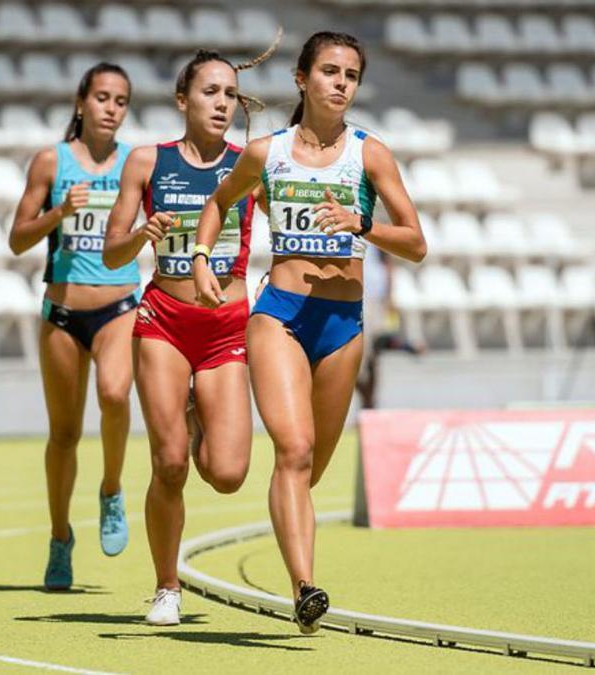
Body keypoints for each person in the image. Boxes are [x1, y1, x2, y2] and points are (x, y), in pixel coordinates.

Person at [191, 32, 427, 633]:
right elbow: (219, 204)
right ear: (302, 79)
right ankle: (305, 589)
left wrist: (363, 222)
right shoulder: (265, 153)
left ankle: (299, 568)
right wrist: (201, 258)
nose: (341, 83)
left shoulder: (371, 154)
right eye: (329, 71)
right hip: (281, 314)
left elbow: (417, 243)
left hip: (343, 325)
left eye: (351, 73)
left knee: (310, 467)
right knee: (292, 452)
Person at [103, 41, 276, 626]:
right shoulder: (146, 163)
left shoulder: (251, 166)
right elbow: (111, 253)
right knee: (171, 462)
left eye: (231, 93)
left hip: (227, 326)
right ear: (183, 100)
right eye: (210, 91)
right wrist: (141, 234)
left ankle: (198, 412)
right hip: (164, 323)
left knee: (226, 475)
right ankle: (167, 586)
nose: (222, 103)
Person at [8, 63, 138, 591]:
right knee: (63, 435)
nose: (111, 108)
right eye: (103, 97)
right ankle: (60, 538)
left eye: (121, 100)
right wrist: (60, 211)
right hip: (62, 313)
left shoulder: (137, 162)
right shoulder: (51, 161)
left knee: (114, 393)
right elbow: (18, 239)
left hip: (118, 308)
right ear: (81, 102)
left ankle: (111, 490)